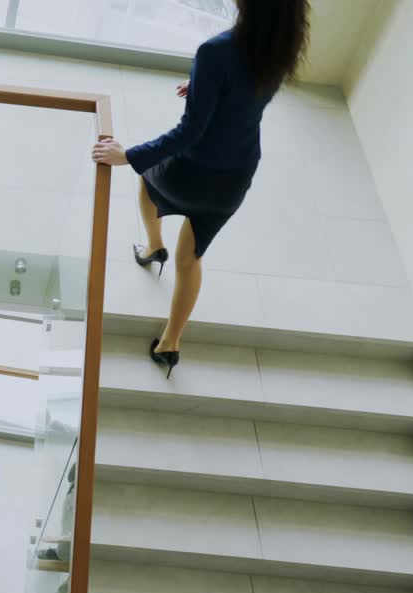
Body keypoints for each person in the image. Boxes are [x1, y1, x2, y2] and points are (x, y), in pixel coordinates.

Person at [92, 0, 311, 377]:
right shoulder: (282, 43)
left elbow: (189, 132)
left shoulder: (215, 51)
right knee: (191, 258)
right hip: (236, 177)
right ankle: (170, 343)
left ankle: (152, 246)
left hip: (192, 171)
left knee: (147, 180)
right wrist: (202, 85)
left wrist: (128, 154)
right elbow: (250, 90)